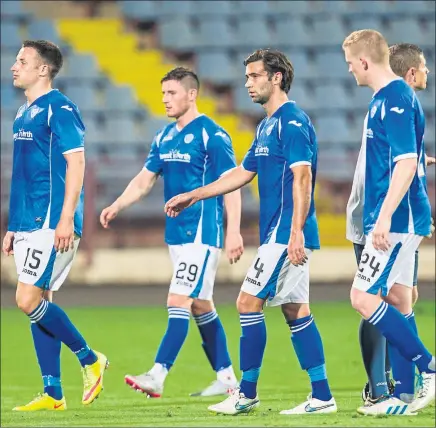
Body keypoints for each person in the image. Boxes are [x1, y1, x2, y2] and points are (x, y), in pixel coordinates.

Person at [164, 49, 337, 416]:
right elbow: (242, 174)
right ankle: (322, 395)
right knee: (295, 310)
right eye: (246, 77)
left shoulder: (292, 122)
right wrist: (194, 194)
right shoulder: (266, 126)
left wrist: (295, 233)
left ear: (276, 78)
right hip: (282, 232)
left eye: (254, 76)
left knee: (246, 303)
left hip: (285, 235)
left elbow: (302, 177)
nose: (247, 83)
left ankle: (246, 393)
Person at [100, 67, 242, 398]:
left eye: (172, 93)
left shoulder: (212, 134)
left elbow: (232, 184)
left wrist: (233, 231)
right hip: (177, 235)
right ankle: (227, 380)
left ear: (191, 94)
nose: (165, 99)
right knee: (201, 305)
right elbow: (144, 179)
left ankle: (157, 374)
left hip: (202, 234)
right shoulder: (164, 137)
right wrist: (117, 204)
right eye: (163, 94)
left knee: (178, 299)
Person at [3, 40, 108, 411]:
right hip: (28, 221)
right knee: (41, 301)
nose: (14, 66)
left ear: (43, 69)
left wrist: (66, 217)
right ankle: (53, 392)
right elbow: (23, 175)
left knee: (26, 299)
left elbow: (76, 164)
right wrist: (13, 225)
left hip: (51, 220)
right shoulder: (22, 113)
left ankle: (90, 359)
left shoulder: (61, 109)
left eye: (22, 60)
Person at [342, 29, 435, 416]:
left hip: (395, 220)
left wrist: (380, 219)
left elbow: (402, 164)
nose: (350, 72)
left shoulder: (395, 97)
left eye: (350, 64)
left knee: (362, 298)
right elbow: (405, 158)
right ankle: (401, 397)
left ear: (364, 61)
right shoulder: (385, 99)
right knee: (397, 301)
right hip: (398, 216)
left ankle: (428, 367)